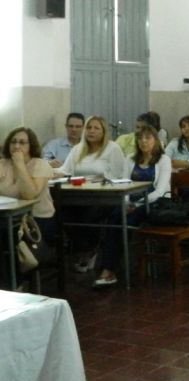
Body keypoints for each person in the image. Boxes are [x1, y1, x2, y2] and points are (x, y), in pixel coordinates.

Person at [94, 125, 171, 287]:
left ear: (155, 140)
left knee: (125, 222)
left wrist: (138, 204)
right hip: (130, 202)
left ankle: (109, 268)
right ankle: (109, 269)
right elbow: (125, 183)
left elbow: (160, 191)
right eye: (140, 138)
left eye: (148, 138)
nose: (143, 141)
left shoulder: (164, 160)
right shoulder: (130, 159)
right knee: (113, 219)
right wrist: (128, 202)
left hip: (153, 203)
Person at [55, 116, 126, 272]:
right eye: (89, 128)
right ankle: (84, 249)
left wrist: (103, 180)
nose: (91, 131)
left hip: (105, 196)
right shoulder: (78, 149)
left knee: (90, 215)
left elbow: (119, 175)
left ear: (103, 131)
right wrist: (49, 171)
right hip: (79, 195)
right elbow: (65, 170)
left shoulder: (112, 148)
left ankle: (90, 251)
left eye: (96, 128)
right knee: (62, 213)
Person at [0, 128, 55, 242]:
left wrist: (20, 164)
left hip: (35, 220)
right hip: (7, 217)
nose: (16, 146)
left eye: (22, 142)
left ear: (31, 146)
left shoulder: (40, 164)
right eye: (13, 142)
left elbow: (29, 195)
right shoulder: (3, 164)